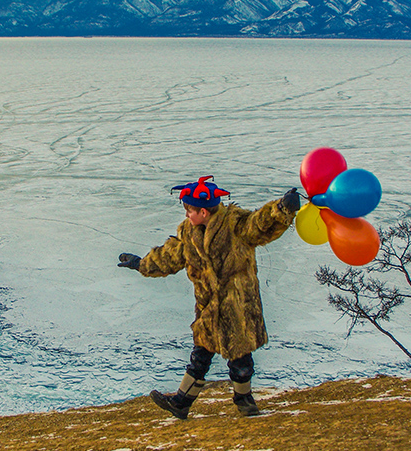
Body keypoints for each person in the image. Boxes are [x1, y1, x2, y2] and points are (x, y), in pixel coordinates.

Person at [118, 176, 300, 418]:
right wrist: (141, 264)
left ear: (203, 211)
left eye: (189, 211)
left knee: (240, 360)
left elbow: (260, 224)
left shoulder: (235, 225)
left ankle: (245, 403)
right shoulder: (189, 232)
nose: (186, 216)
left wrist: (282, 209)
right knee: (200, 355)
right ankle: (181, 403)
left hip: (238, 306)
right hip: (208, 307)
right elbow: (171, 256)